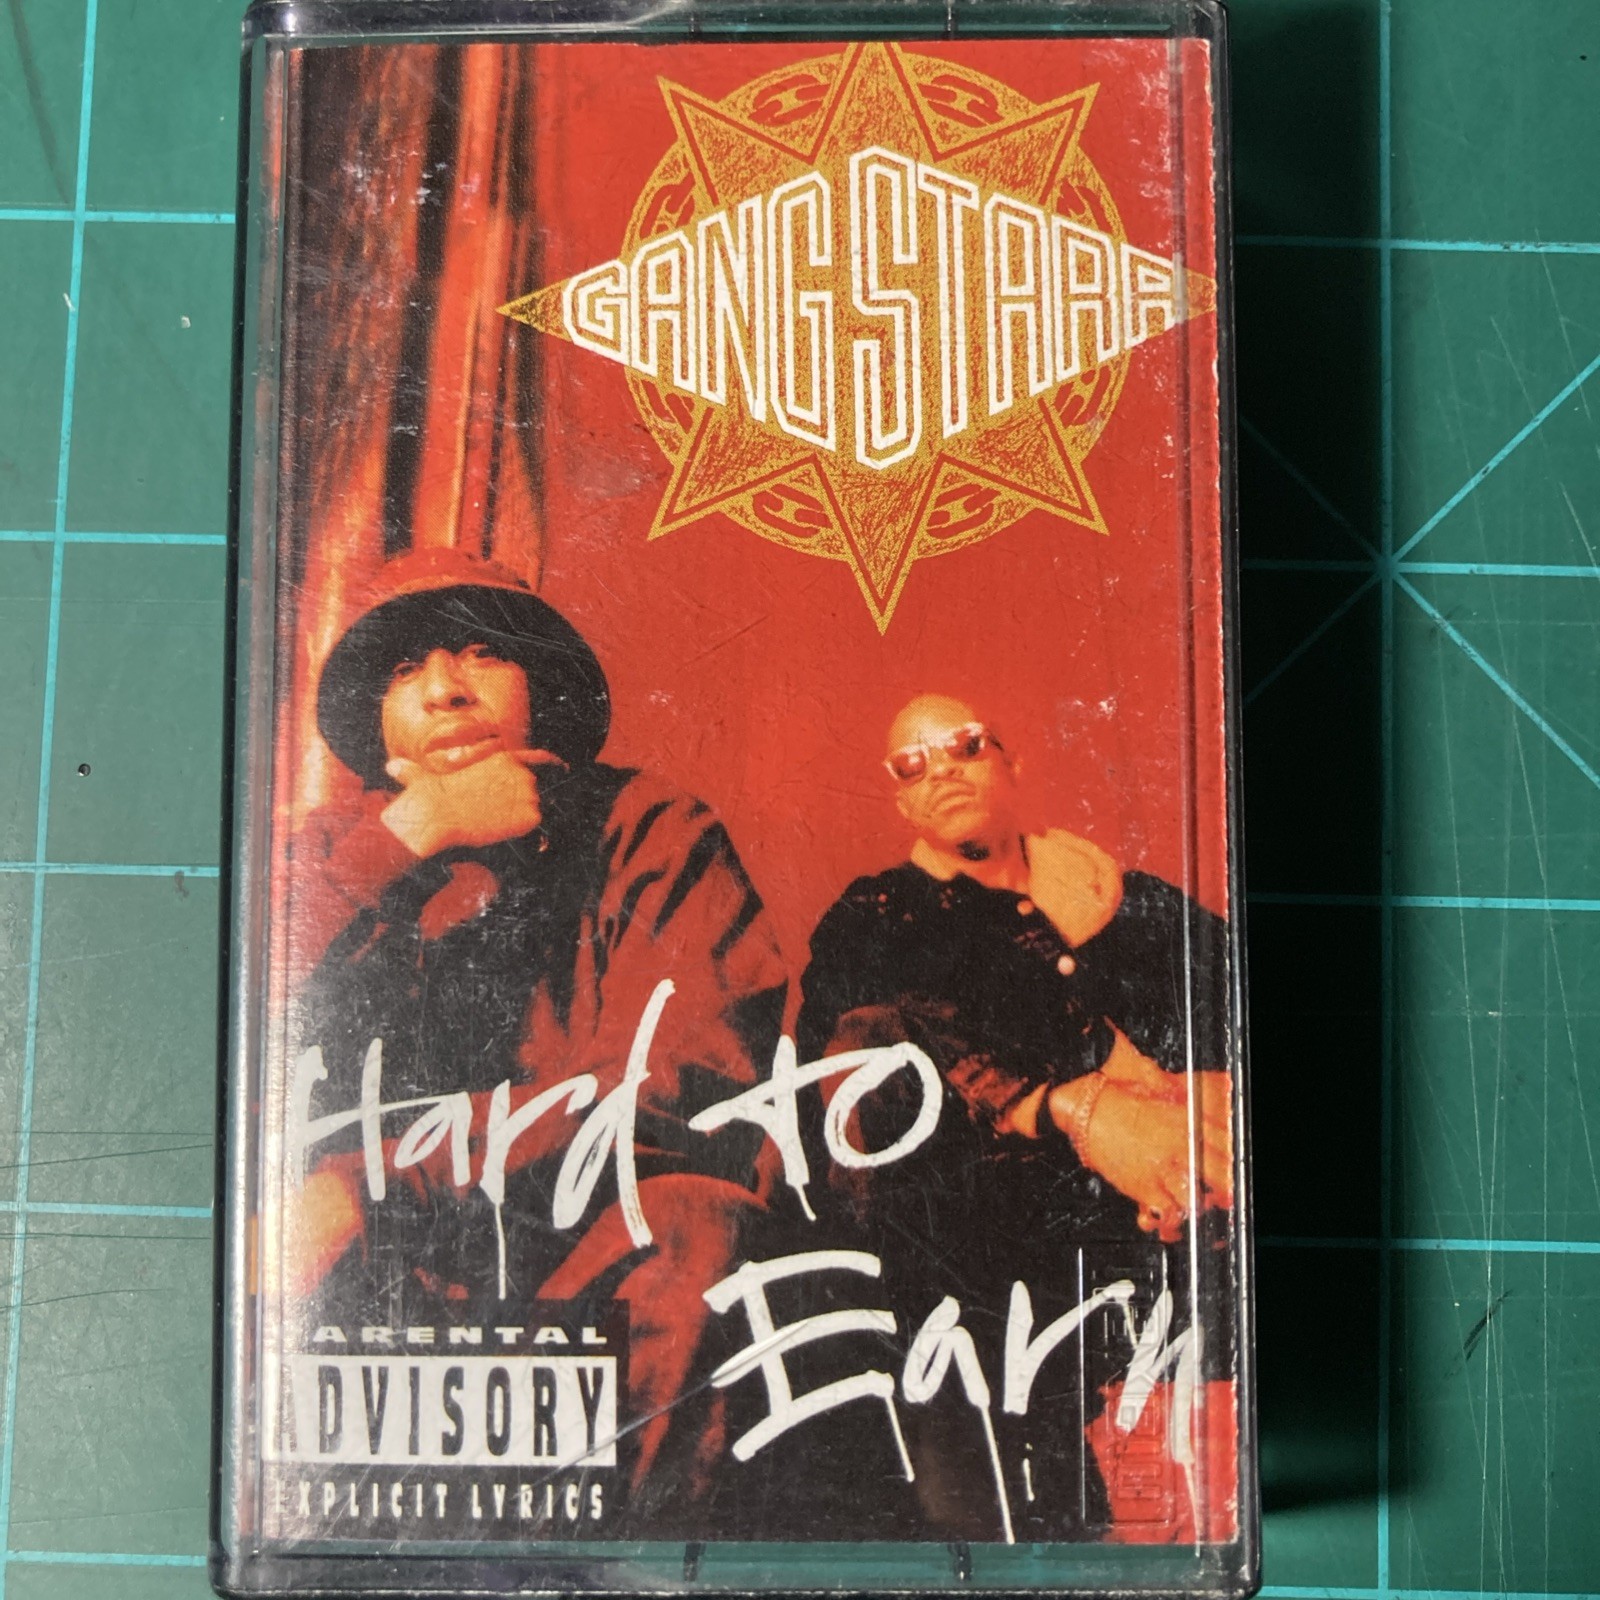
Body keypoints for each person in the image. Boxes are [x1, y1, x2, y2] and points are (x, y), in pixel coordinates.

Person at [277, 547, 788, 1523]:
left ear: (540, 687)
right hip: (371, 1284)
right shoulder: (329, 858)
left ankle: (618, 1572)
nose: (444, 688)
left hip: (571, 1261)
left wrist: (378, 1187)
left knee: (693, 1216)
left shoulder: (649, 825)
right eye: (405, 668)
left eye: (482, 652)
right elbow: (223, 1036)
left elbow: (681, 1082)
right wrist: (412, 833)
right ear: (377, 720)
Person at [790, 693, 1236, 1542]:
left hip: (1176, 1243)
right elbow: (859, 1082)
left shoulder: (1129, 899)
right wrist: (1071, 1110)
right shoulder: (875, 918)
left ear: (1012, 762)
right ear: (900, 801)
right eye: (912, 765)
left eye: (964, 746)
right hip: (989, 1274)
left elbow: (1236, 1006)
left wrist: (1196, 1105)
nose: (942, 771)